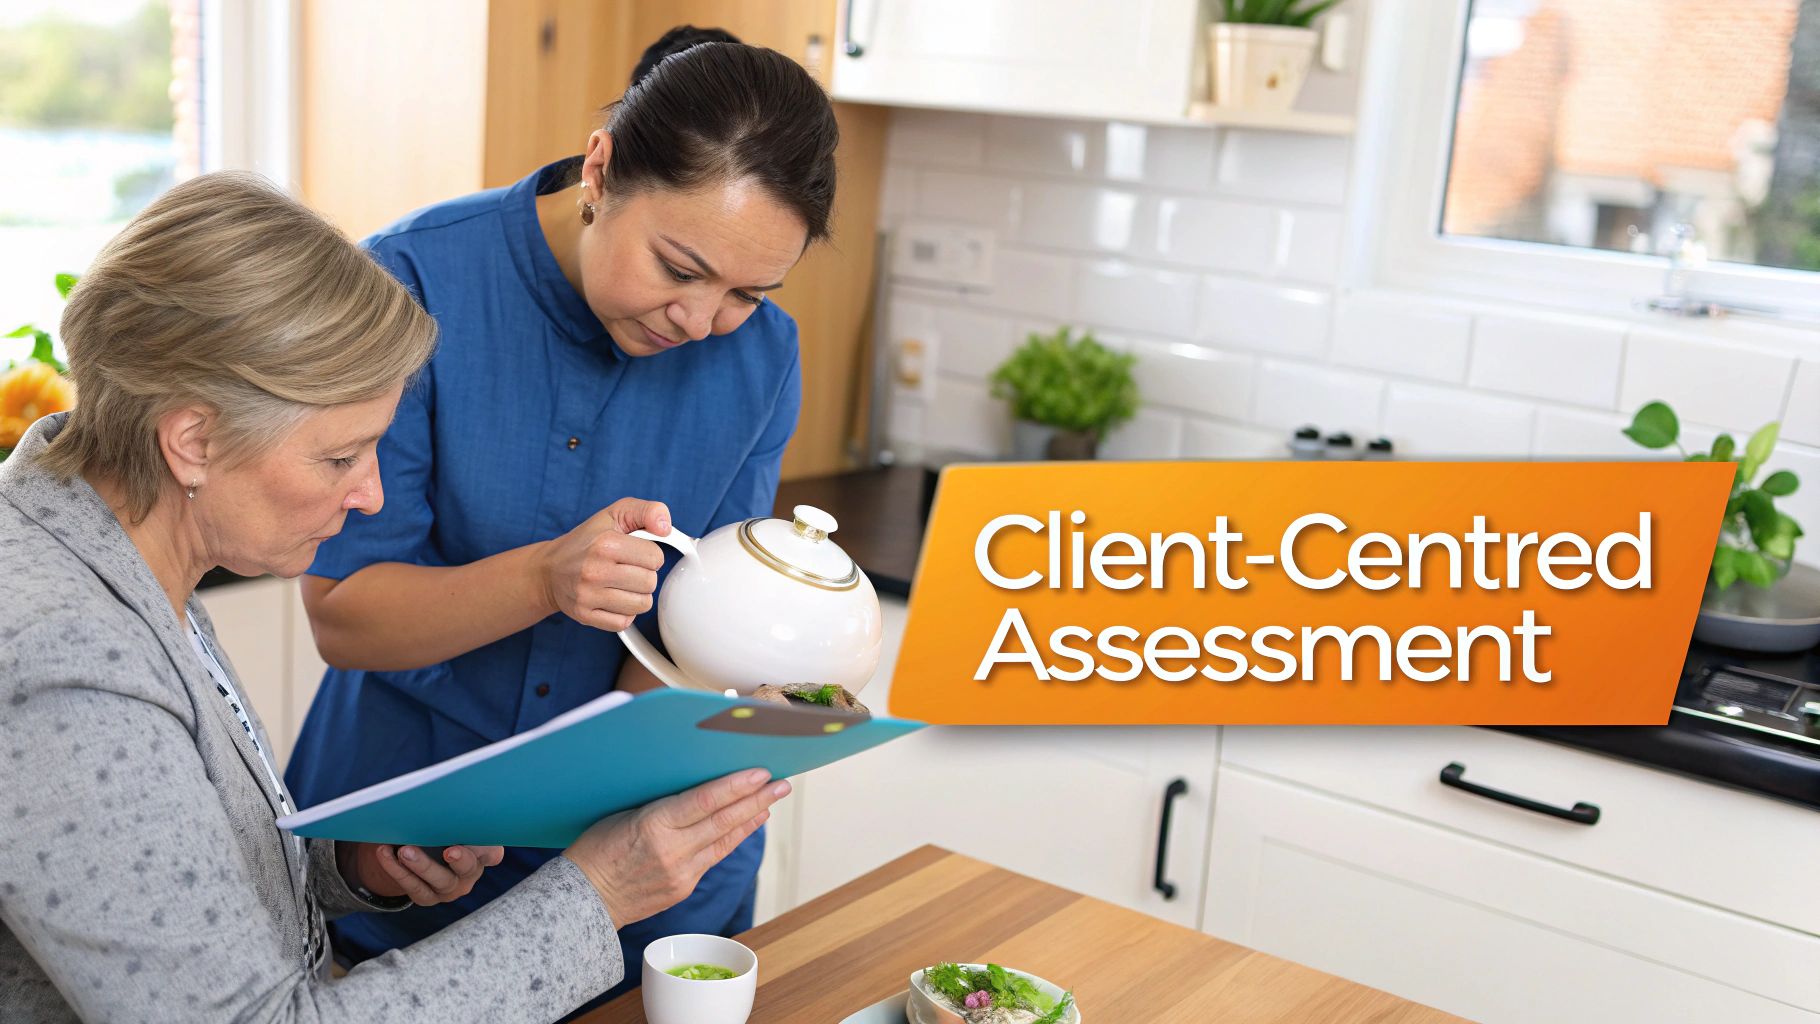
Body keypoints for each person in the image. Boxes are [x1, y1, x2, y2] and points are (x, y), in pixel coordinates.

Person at [0, 171, 788, 1023]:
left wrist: (352, 866)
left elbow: (183, 883)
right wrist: (599, 893)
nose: (371, 497)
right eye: (340, 459)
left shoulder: (114, 552)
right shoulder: (63, 661)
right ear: (192, 439)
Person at [281, 31, 839, 1006]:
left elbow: (696, 631)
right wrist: (546, 577)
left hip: (655, 896)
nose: (701, 321)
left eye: (746, 294)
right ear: (600, 168)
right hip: (410, 861)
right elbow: (344, 614)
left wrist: (757, 681)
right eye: (679, 266)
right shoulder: (411, 285)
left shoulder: (767, 360)